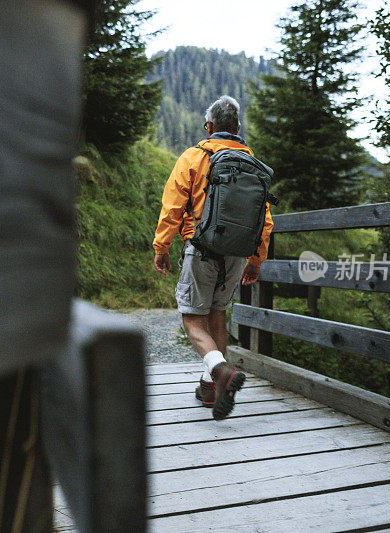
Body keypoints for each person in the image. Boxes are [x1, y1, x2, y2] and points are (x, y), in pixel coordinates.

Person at [152, 95, 273, 420]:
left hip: (202, 248)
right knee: (217, 315)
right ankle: (209, 389)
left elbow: (173, 206)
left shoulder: (195, 156)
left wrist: (161, 247)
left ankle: (220, 371)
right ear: (237, 128)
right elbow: (266, 219)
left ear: (209, 126)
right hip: (236, 254)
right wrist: (256, 259)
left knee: (193, 319)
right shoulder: (253, 163)